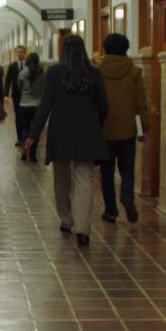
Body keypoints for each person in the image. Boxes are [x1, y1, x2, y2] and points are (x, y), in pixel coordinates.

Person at [25, 34, 109, 247]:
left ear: (63, 50)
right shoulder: (94, 73)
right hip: (87, 131)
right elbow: (104, 105)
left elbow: (45, 105)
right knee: (85, 178)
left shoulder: (54, 73)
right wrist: (96, 122)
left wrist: (33, 135)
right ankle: (83, 229)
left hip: (60, 130)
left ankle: (66, 220)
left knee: (61, 178)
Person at [97, 33, 150, 224]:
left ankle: (110, 211)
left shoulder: (97, 70)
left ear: (105, 48)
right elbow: (141, 104)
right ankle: (127, 195)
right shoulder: (134, 72)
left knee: (106, 172)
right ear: (126, 49)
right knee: (127, 168)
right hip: (127, 129)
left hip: (104, 130)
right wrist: (143, 129)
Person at [17, 52, 45, 163]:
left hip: (24, 104)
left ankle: (25, 149)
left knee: (25, 128)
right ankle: (33, 154)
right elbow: (45, 87)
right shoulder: (42, 73)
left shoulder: (22, 73)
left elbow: (19, 87)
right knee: (35, 130)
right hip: (37, 105)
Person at [4, 45, 27, 146]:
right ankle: (20, 138)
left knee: (26, 116)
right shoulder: (12, 66)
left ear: (25, 53)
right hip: (17, 95)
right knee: (18, 116)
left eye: (22, 52)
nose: (20, 54)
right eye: (18, 52)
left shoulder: (29, 65)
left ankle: (27, 137)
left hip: (27, 95)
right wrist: (5, 95)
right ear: (16, 53)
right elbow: (8, 81)